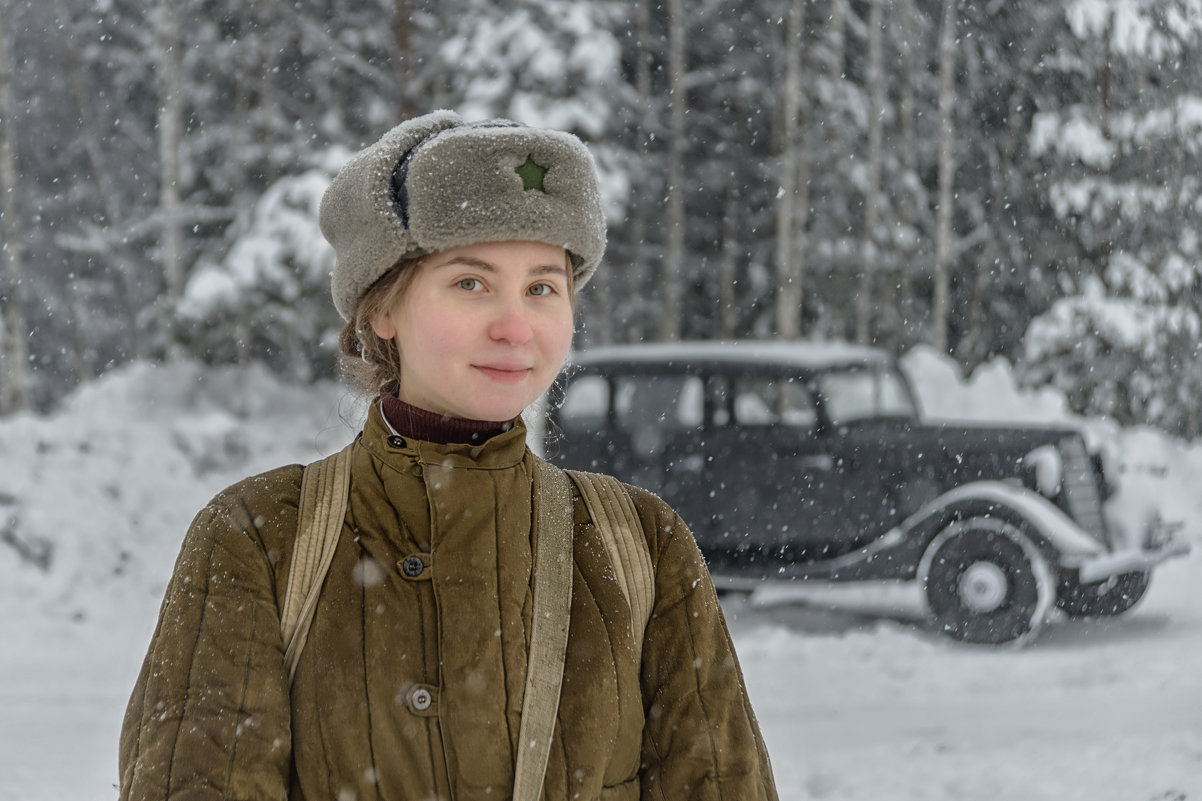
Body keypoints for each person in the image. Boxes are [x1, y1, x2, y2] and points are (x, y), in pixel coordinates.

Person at [118, 110, 778, 801]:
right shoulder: (259, 537)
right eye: (472, 282)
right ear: (383, 310)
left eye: (543, 288)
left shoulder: (640, 543)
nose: (515, 326)